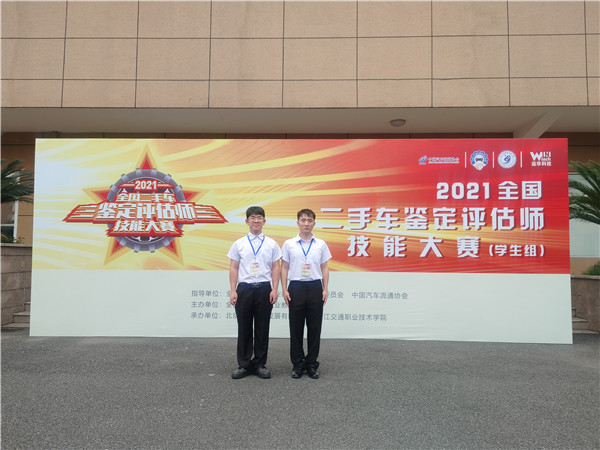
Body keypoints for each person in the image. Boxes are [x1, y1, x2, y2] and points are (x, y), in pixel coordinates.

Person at [228, 206, 281, 379]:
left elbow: (276, 267)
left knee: (262, 328)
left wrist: (275, 289)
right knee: (244, 327)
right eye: (252, 217)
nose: (256, 220)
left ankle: (259, 364)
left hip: (264, 288)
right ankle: (243, 364)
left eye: (259, 217)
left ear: (264, 221)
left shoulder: (271, 244)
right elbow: (234, 267)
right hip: (244, 289)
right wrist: (233, 290)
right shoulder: (239, 244)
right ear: (247, 221)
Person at [281, 209, 332, 379]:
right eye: (303, 220)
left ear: (314, 223)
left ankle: (311, 364)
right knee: (295, 328)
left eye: (309, 220)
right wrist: (284, 289)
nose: (306, 223)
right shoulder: (289, 244)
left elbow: (324, 267)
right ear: (298, 223)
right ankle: (297, 364)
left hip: (315, 286)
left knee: (314, 328)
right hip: (295, 287)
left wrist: (325, 289)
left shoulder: (320, 244)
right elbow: (284, 267)